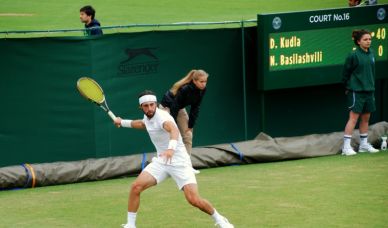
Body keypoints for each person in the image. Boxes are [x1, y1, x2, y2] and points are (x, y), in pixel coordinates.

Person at [114, 90, 234, 228]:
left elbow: (174, 131)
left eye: (152, 105)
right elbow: (142, 124)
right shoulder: (148, 118)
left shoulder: (162, 117)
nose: (149, 108)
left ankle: (220, 219)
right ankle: (130, 225)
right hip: (162, 161)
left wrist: (171, 148)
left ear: (156, 104)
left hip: (179, 161)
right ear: (141, 107)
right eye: (145, 106)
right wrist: (121, 122)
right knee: (136, 187)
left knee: (193, 199)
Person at [159, 69, 208, 173]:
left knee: (188, 135)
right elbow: (174, 107)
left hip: (179, 108)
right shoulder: (184, 89)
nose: (204, 84)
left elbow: (196, 107)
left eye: (205, 81)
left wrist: (191, 125)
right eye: (201, 82)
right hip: (166, 108)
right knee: (172, 137)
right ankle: (166, 165)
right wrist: (174, 126)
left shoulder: (203, 90)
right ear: (194, 81)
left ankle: (187, 166)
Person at [341, 29, 380, 156]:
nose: (368, 41)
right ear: (358, 42)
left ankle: (363, 145)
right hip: (356, 91)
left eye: (369, 39)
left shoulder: (372, 53)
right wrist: (348, 86)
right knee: (353, 118)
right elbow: (346, 73)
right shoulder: (353, 55)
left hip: (369, 90)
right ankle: (346, 147)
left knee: (366, 118)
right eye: (365, 39)